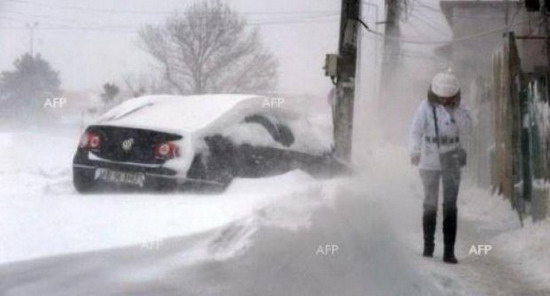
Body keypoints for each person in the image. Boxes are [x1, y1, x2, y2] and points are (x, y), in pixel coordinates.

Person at [409, 69, 472, 264]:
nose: (445, 101)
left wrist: (458, 111)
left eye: (449, 97)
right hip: (429, 160)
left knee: (450, 205)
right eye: (442, 97)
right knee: (430, 203)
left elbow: (467, 130)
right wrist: (415, 151)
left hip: (451, 158)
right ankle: (428, 247)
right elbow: (415, 131)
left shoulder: (461, 110)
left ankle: (449, 251)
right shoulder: (424, 108)